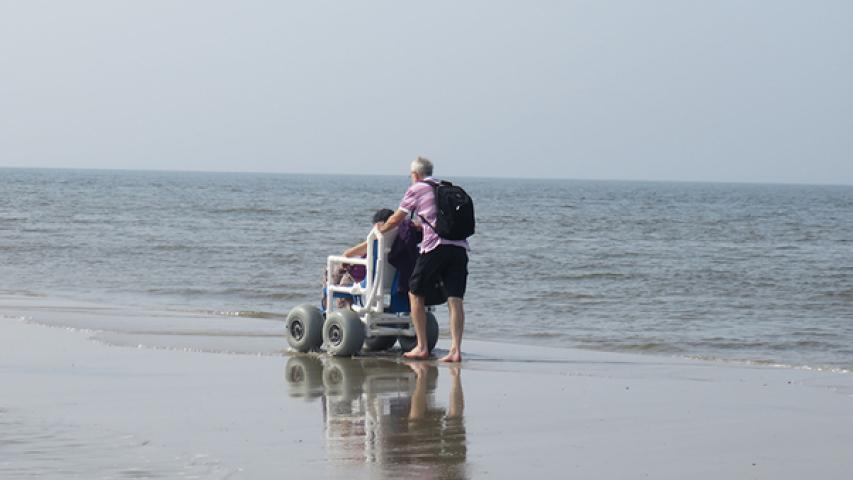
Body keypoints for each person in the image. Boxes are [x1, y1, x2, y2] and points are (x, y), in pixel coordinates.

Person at [379, 156, 469, 362]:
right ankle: (455, 351)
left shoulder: (417, 188)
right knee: (455, 298)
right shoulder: (445, 187)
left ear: (415, 174)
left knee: (415, 292)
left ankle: (421, 347)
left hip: (434, 247)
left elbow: (397, 218)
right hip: (459, 247)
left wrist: (380, 230)